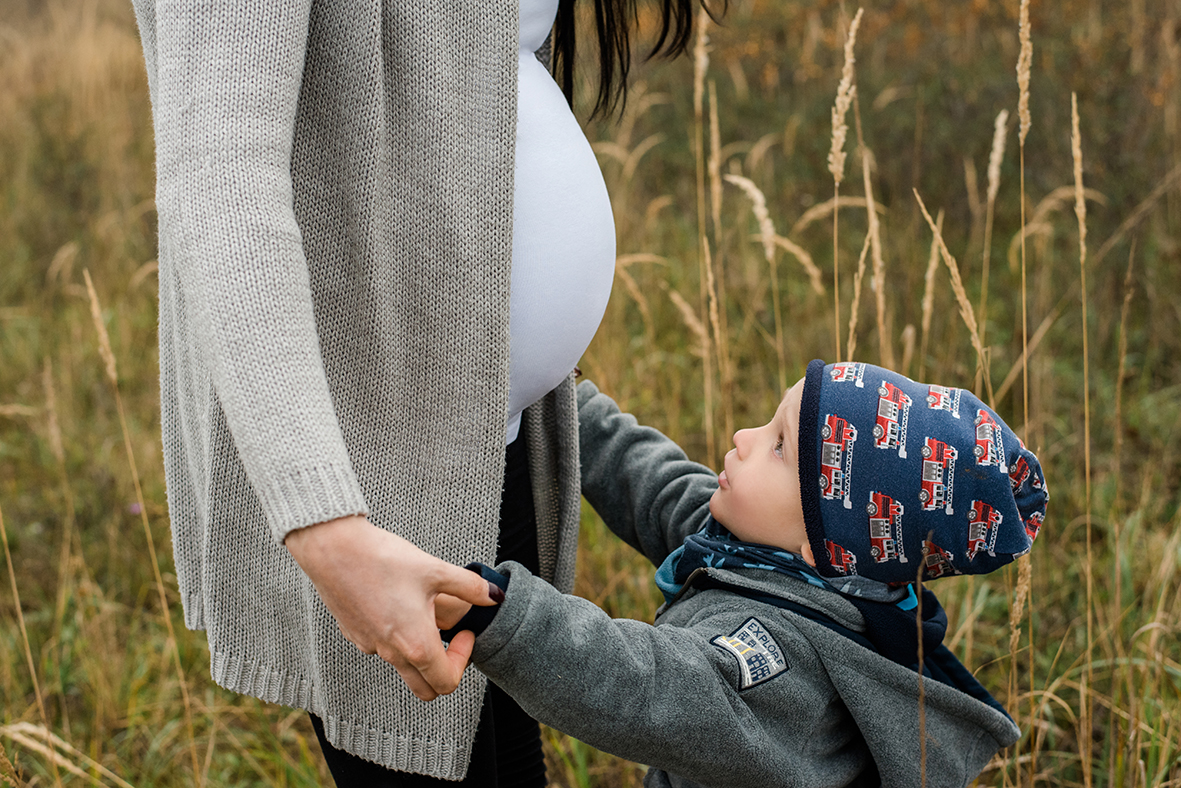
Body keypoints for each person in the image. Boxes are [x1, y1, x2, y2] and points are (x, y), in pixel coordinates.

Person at [129, 0, 712, 783]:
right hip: (367, 475)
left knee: (503, 759)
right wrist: (328, 528)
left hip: (491, 434)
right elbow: (219, 171)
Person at [441, 360, 1048, 787]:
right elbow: (651, 482)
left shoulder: (783, 665)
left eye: (778, 445)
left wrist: (506, 614)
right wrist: (561, 390)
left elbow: (649, 686)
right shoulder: (775, 552)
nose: (742, 437)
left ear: (826, 543)